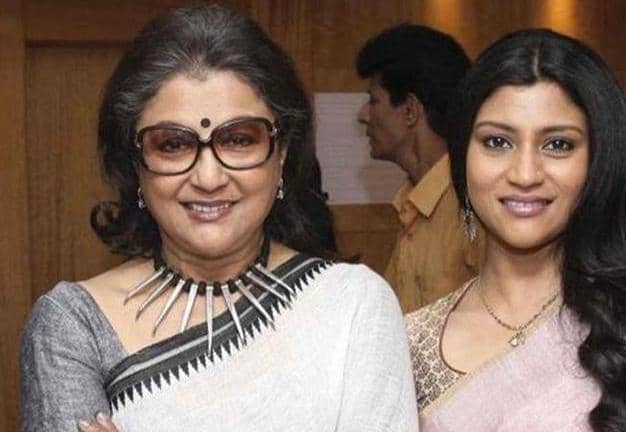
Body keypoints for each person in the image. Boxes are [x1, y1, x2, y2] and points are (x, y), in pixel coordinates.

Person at [20, 5, 417, 432]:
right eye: (172, 145)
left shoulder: (354, 304)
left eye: (239, 140)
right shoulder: (75, 325)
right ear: (134, 162)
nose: (208, 178)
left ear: (282, 153)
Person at [407, 29, 626, 431]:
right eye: (497, 141)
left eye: (558, 145)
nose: (525, 174)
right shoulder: (408, 348)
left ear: (598, 162)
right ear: (462, 158)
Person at [356, 24, 482, 312]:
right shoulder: (412, 206)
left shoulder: (474, 206)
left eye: (373, 100)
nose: (363, 115)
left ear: (410, 110)